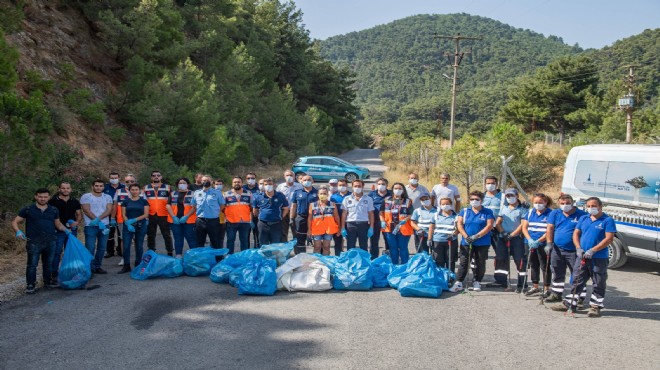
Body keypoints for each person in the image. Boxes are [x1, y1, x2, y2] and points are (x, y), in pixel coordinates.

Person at [551, 197, 615, 318]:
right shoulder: (584, 218)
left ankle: (595, 307)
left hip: (599, 257)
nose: (591, 208)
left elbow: (609, 238)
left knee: (598, 281)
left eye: (594, 206)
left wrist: (593, 250)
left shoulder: (607, 220)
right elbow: (576, 233)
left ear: (600, 206)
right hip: (582, 256)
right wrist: (578, 247)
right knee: (577, 279)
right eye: (589, 206)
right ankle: (570, 303)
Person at [13, 188, 70, 294]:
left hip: (51, 241)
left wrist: (66, 230)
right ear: (36, 196)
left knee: (48, 264)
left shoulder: (53, 210)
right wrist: (18, 231)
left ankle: (47, 282)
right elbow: (15, 222)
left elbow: (58, 224)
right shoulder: (28, 209)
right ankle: (30, 285)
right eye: (40, 196)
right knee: (32, 265)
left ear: (48, 197)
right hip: (34, 242)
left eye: (45, 197)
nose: (42, 199)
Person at [544, 194, 588, 303]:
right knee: (557, 272)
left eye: (568, 203)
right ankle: (556, 294)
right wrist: (549, 243)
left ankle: (578, 297)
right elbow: (550, 228)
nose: (565, 205)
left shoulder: (582, 215)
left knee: (577, 274)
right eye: (562, 204)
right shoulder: (555, 213)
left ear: (572, 203)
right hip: (557, 249)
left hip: (574, 251)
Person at [450, 190, 495, 292]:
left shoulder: (488, 212)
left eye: (477, 199)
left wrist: (477, 236)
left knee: (480, 262)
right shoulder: (465, 211)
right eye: (472, 199)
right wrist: (466, 236)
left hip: (482, 242)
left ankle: (477, 281)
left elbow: (489, 226)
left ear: (481, 200)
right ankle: (459, 282)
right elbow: (460, 224)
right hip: (466, 241)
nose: (474, 201)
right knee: (464, 262)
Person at [493, 188, 529, 291]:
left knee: (519, 260)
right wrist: (503, 233)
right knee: (500, 258)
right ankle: (501, 281)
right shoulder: (504, 208)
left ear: (517, 196)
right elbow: (498, 222)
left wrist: (512, 235)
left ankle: (522, 284)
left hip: (517, 238)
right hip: (503, 237)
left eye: (512, 196)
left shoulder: (523, 209)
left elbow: (522, 225)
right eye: (508, 196)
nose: (510, 198)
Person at [48, 182, 82, 281]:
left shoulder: (75, 201)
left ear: (71, 189)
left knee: (70, 251)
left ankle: (69, 271)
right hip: (58, 231)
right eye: (63, 188)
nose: (65, 190)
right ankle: (54, 273)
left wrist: (77, 222)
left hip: (71, 231)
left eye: (67, 188)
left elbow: (79, 214)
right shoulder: (53, 201)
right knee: (57, 252)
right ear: (59, 189)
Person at [521, 193, 553, 297]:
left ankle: (546, 288)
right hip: (530, 243)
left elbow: (549, 230)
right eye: (535, 202)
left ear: (545, 202)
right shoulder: (530, 212)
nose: (538, 204)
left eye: (540, 202)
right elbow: (524, 227)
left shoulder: (550, 213)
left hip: (543, 243)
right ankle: (535, 286)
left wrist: (539, 240)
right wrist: (529, 239)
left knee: (545, 266)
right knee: (533, 265)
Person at [80, 179, 114, 274]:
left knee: (102, 247)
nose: (98, 188)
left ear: (103, 187)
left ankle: (97, 266)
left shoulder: (107, 197)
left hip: (105, 225)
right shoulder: (86, 196)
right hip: (90, 225)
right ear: (92, 186)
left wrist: (99, 220)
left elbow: (109, 210)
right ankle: (89, 267)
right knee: (90, 247)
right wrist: (97, 221)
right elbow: (86, 210)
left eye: (101, 186)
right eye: (96, 186)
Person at [380, 182, 413, 265]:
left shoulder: (408, 201)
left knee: (403, 248)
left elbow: (411, 214)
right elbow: (381, 212)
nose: (397, 190)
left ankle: (405, 266)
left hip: (403, 227)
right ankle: (394, 266)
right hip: (389, 228)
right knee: (393, 248)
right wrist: (382, 221)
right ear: (392, 190)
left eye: (400, 189)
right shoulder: (386, 200)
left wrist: (406, 219)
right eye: (396, 188)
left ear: (403, 190)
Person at [119, 183, 150, 273]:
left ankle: (138, 264)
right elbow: (123, 214)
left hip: (141, 225)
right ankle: (126, 265)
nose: (135, 191)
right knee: (126, 246)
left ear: (139, 191)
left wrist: (135, 219)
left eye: (136, 189)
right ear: (129, 191)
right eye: (132, 190)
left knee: (139, 246)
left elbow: (146, 214)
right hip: (128, 226)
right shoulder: (126, 201)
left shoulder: (144, 201)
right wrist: (128, 223)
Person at [144, 170, 174, 256]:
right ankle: (151, 251)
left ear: (161, 177)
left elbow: (172, 201)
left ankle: (170, 251)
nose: (156, 177)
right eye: (154, 175)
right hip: (151, 214)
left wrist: (172, 214)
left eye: (158, 175)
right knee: (151, 234)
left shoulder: (167, 187)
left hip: (164, 214)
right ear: (151, 177)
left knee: (166, 234)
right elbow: (143, 201)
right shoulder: (146, 188)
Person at [166, 177, 197, 258]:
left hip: (189, 220)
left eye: (184, 183)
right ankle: (178, 256)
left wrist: (187, 216)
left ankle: (194, 256)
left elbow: (195, 206)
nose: (182, 184)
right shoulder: (173, 193)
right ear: (177, 184)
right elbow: (168, 205)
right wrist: (173, 217)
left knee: (191, 238)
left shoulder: (193, 193)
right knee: (178, 238)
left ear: (188, 184)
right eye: (180, 183)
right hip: (175, 220)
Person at [192, 174, 225, 250]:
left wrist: (214, 212)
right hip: (200, 220)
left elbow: (222, 205)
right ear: (201, 181)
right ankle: (201, 260)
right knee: (199, 242)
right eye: (204, 180)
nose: (206, 182)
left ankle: (218, 259)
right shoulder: (197, 192)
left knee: (215, 241)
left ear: (211, 182)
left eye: (208, 180)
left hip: (213, 221)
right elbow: (194, 205)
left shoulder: (217, 193)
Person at [252, 178, 289, 245]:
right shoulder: (258, 197)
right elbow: (255, 210)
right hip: (263, 224)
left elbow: (286, 208)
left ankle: (274, 256)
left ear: (274, 185)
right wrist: (261, 217)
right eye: (266, 184)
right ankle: (264, 256)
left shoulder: (280, 196)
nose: (268, 186)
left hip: (276, 224)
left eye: (270, 184)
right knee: (263, 244)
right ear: (263, 185)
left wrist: (281, 217)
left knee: (276, 244)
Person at [341, 180, 374, 251]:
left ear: (363, 187)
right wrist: (343, 227)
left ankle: (364, 261)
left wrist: (371, 227)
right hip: (350, 225)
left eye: (359, 186)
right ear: (352, 187)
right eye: (355, 186)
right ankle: (351, 261)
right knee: (350, 246)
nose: (357, 188)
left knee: (364, 246)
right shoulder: (347, 199)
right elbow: (344, 213)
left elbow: (371, 214)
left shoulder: (368, 199)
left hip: (363, 224)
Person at [308, 186, 340, 255]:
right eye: (321, 193)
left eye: (325, 193)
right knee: (317, 247)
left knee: (326, 247)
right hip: (317, 229)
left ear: (328, 195)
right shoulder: (313, 205)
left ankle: (325, 262)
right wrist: (309, 230)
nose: (323, 195)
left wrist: (339, 228)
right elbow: (310, 218)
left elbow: (336, 217)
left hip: (329, 229)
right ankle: (316, 262)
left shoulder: (332, 204)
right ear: (318, 195)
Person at [290, 174, 318, 254]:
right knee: (300, 239)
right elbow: (293, 206)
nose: (307, 182)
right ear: (301, 182)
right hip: (301, 218)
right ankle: (300, 257)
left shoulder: (317, 193)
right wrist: (291, 218)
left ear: (312, 181)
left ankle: (316, 259)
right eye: (304, 180)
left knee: (316, 239)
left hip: (315, 219)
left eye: (309, 180)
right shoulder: (297, 193)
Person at [224, 176, 253, 253]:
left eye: (238, 182)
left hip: (245, 222)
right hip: (231, 222)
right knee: (230, 240)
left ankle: (244, 258)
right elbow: (222, 208)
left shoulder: (248, 193)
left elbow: (252, 207)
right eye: (235, 182)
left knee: (244, 241)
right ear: (232, 184)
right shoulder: (226, 194)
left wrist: (251, 219)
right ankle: (230, 257)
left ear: (242, 183)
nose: (237, 183)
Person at [427, 197, 457, 271]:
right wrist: (429, 239)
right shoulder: (436, 215)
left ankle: (450, 277)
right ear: (440, 205)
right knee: (438, 260)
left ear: (451, 204)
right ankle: (440, 277)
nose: (445, 205)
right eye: (443, 204)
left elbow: (458, 228)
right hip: (438, 241)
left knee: (450, 260)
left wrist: (453, 235)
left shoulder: (456, 216)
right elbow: (431, 228)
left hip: (450, 241)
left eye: (447, 204)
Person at [112, 174, 136, 267]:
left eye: (132, 181)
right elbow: (114, 205)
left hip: (137, 219)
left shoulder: (140, 191)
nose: (130, 183)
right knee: (123, 239)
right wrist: (113, 218)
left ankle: (139, 258)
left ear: (135, 182)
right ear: (124, 182)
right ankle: (124, 258)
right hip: (122, 220)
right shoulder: (118, 191)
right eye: (127, 181)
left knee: (137, 239)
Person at [368, 178, 392, 259]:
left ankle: (389, 257)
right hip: (375, 221)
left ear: (387, 185)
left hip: (388, 222)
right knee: (374, 241)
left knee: (389, 240)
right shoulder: (371, 194)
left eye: (383, 184)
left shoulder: (391, 194)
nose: (381, 185)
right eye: (379, 184)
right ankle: (374, 258)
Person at [276, 170, 303, 242]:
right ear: (284, 177)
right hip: (284, 212)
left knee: (296, 233)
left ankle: (298, 252)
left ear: (294, 177)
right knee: (283, 232)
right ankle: (284, 251)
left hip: (295, 212)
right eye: (287, 175)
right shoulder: (280, 187)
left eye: (291, 175)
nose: (289, 177)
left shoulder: (299, 186)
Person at [406, 172, 430, 251]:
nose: (413, 179)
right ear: (408, 179)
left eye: (415, 178)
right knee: (405, 237)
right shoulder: (404, 189)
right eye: (411, 178)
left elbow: (428, 200)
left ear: (418, 179)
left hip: (419, 216)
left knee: (418, 237)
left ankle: (420, 253)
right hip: (407, 216)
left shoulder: (423, 189)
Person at [103, 171, 125, 258]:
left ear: (119, 178)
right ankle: (109, 251)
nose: (114, 179)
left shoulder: (123, 187)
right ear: (109, 178)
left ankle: (120, 250)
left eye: (115, 178)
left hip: (120, 212)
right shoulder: (105, 187)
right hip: (108, 212)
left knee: (121, 232)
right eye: (112, 178)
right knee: (109, 233)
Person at [330, 179, 351, 256]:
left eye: (343, 185)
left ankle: (350, 259)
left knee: (350, 243)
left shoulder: (351, 195)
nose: (342, 187)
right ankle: (338, 258)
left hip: (349, 222)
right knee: (338, 242)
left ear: (347, 186)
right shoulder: (333, 197)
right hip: (337, 222)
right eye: (340, 185)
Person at [482, 176, 503, 252]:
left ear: (497, 184)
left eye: (492, 183)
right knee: (480, 253)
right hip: (482, 227)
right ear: (485, 184)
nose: (490, 185)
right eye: (488, 183)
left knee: (500, 251)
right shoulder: (481, 197)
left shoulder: (503, 196)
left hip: (496, 228)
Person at [243, 173, 260, 248]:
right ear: (246, 180)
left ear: (255, 179)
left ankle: (257, 252)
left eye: (252, 178)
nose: (251, 180)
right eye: (248, 178)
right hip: (246, 215)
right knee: (245, 236)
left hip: (258, 214)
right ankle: (247, 252)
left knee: (257, 235)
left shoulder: (260, 187)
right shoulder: (242, 188)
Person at [215, 179, 227, 248]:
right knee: (213, 238)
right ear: (214, 185)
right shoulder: (211, 194)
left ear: (222, 185)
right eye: (217, 184)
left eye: (220, 184)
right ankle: (213, 255)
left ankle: (220, 254)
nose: (218, 186)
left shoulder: (225, 194)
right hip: (213, 219)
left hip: (222, 220)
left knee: (221, 238)